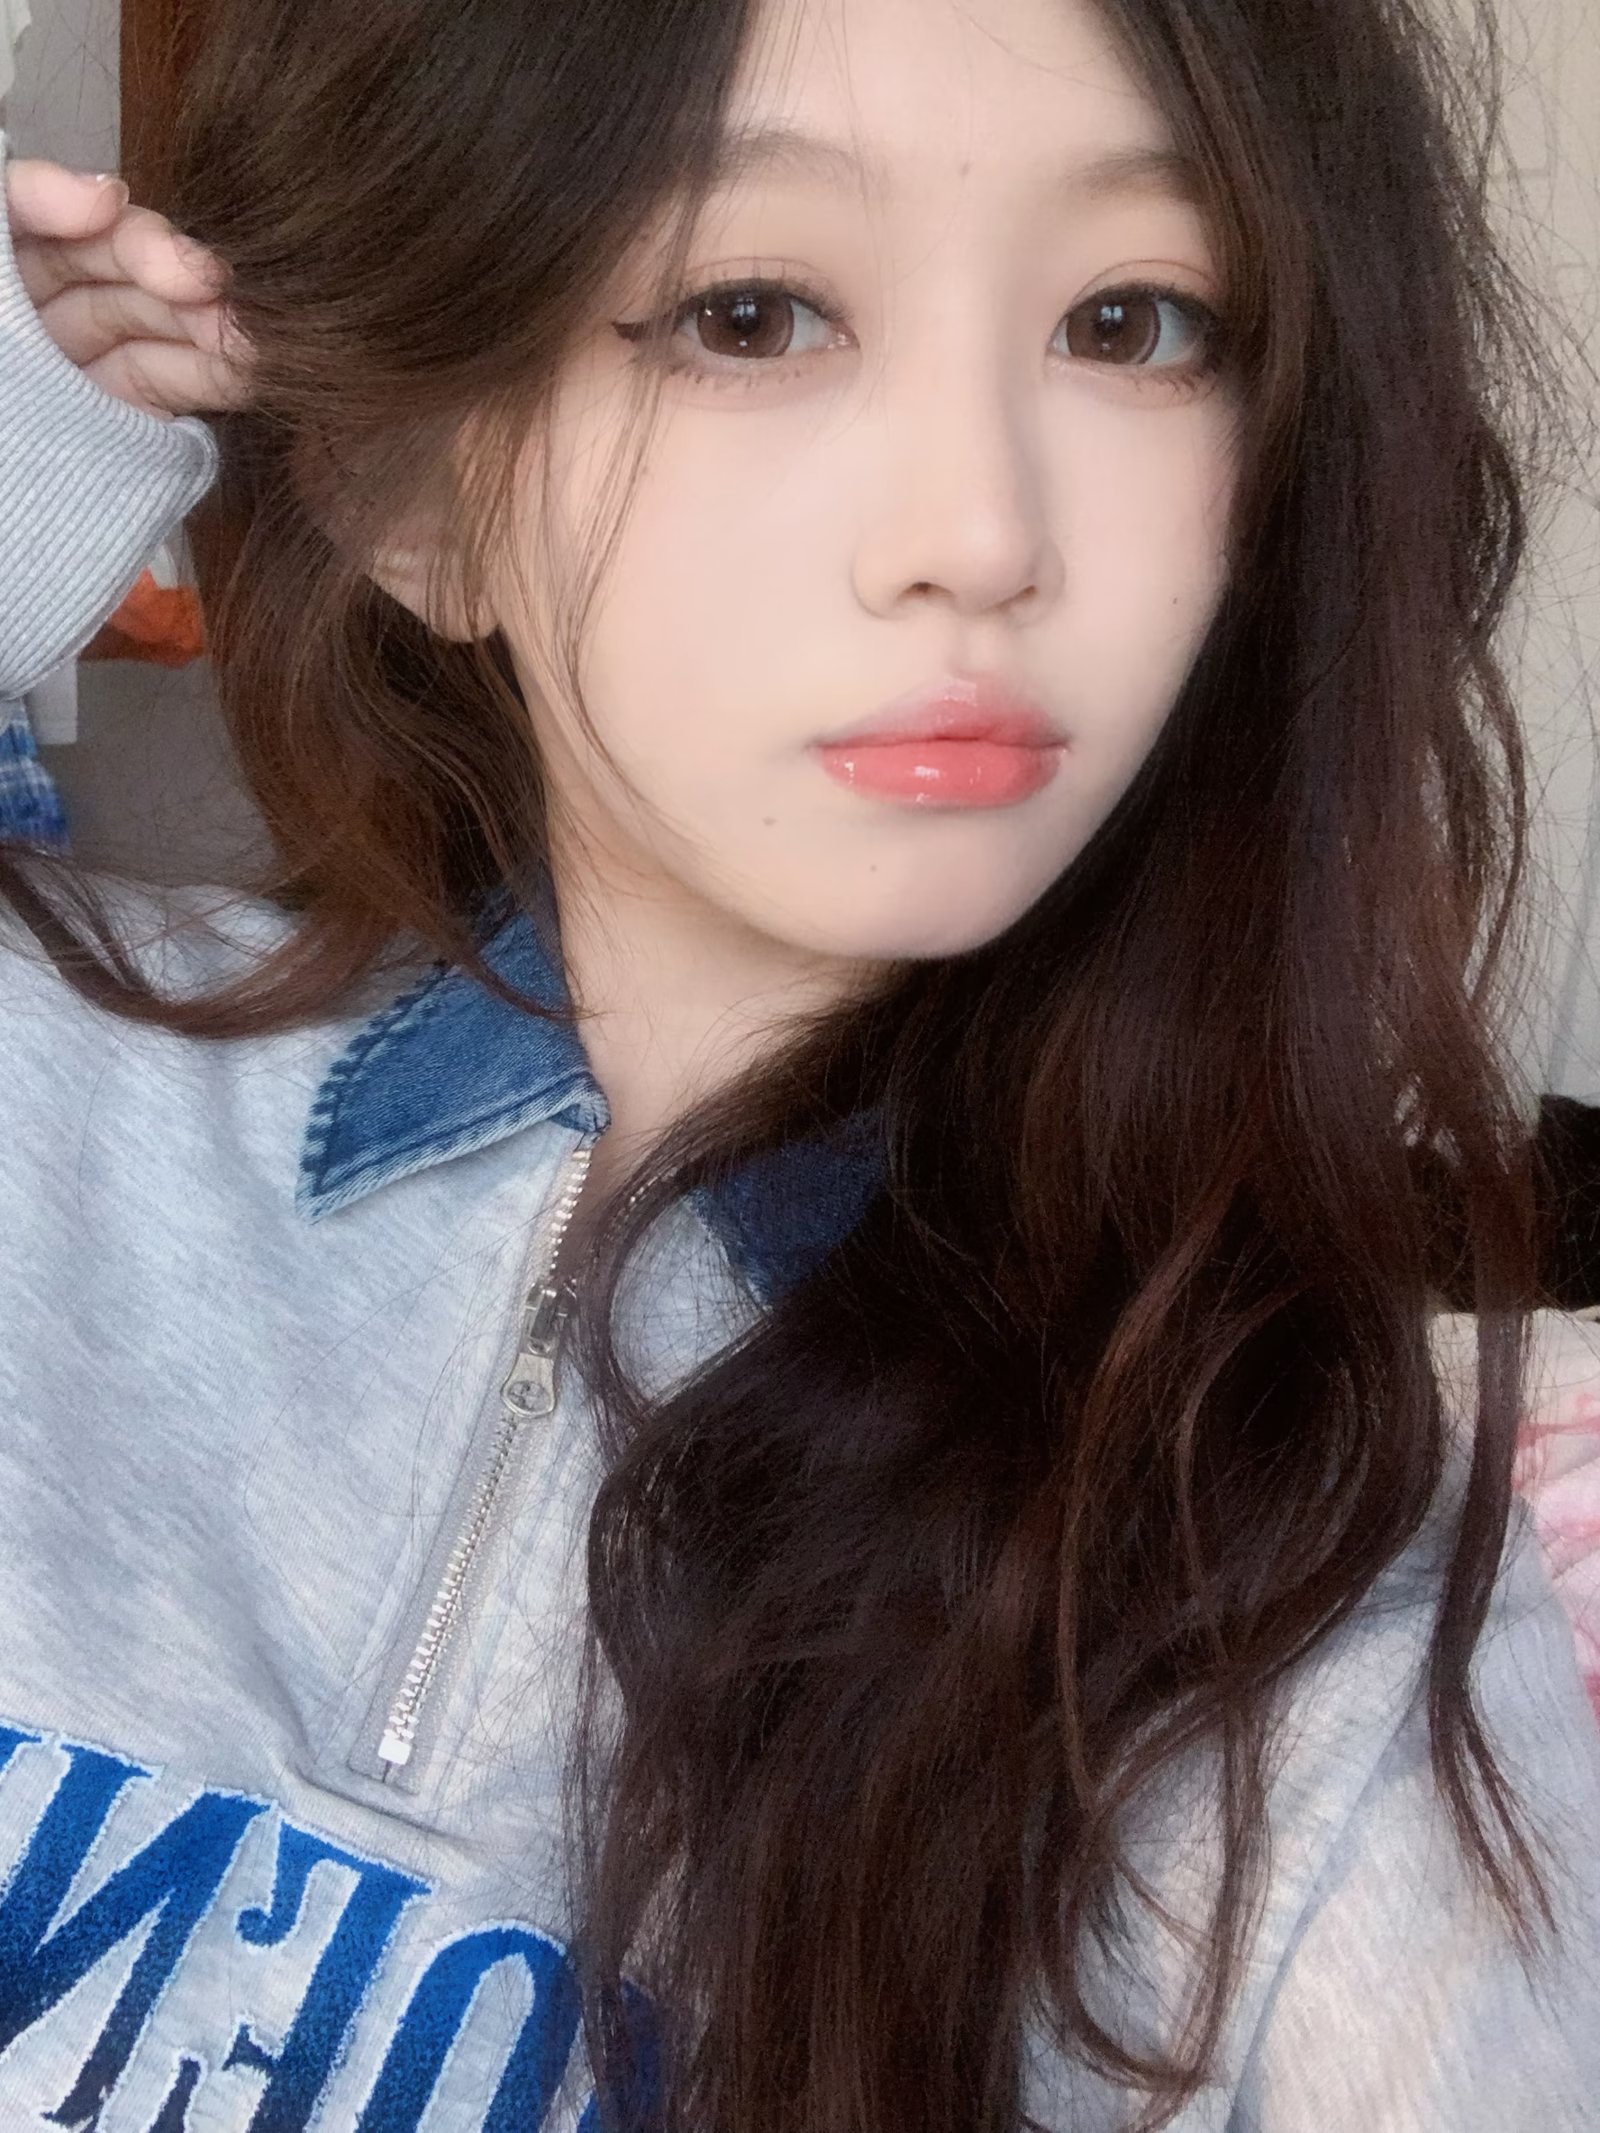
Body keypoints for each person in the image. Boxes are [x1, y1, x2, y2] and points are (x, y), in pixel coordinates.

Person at [1, 0, 1598, 2125]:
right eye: (750, 313)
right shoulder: (50, 1093)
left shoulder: (1298, 1586)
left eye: (1131, 322)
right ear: (414, 488)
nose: (983, 534)